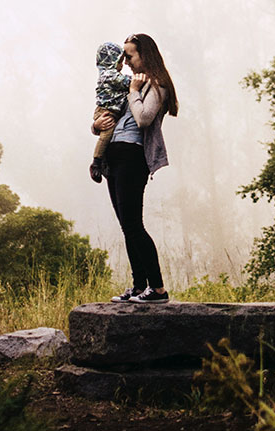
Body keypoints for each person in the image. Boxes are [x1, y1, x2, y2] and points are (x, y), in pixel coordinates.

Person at [92, 33, 178, 304]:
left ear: (145, 55)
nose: (125, 61)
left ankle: (158, 289)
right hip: (114, 155)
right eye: (124, 56)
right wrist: (96, 125)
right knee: (126, 225)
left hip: (133, 155)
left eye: (129, 55)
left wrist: (132, 92)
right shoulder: (131, 83)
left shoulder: (156, 84)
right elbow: (109, 114)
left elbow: (143, 118)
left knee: (134, 224)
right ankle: (140, 286)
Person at [89, 42, 132, 183]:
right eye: (120, 61)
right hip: (105, 112)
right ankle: (96, 162)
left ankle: (103, 162)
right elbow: (126, 82)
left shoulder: (109, 74)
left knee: (109, 133)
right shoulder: (109, 75)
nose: (123, 65)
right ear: (111, 61)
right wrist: (139, 80)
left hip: (111, 111)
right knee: (107, 133)